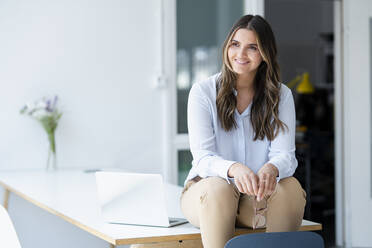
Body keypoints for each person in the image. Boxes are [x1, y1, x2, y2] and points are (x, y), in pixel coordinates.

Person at [180, 15, 306, 248]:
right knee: (219, 187)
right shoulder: (203, 92)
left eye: (252, 48)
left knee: (290, 188)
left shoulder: (281, 95)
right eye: (235, 45)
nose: (240, 54)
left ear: (265, 54)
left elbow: (286, 156)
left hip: (255, 199)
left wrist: (271, 168)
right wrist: (234, 169)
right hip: (207, 194)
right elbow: (203, 158)